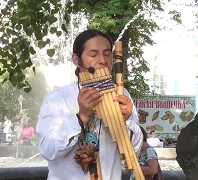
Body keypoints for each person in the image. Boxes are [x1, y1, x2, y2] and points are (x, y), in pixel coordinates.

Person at [36, 29, 143, 180]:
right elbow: (47, 150)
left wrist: (125, 123)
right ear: (76, 60)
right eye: (93, 54)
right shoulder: (57, 99)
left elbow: (134, 152)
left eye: (107, 54)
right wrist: (81, 117)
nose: (103, 61)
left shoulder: (122, 94)